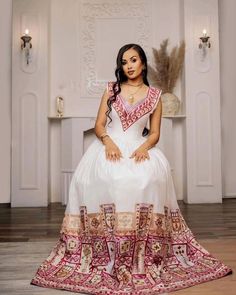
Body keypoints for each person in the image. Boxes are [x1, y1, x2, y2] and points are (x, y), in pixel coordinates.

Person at [31, 44, 232, 294]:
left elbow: (156, 133)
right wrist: (108, 142)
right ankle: (104, 249)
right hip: (109, 145)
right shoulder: (111, 90)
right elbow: (99, 124)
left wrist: (144, 147)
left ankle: (142, 250)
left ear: (143, 63)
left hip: (140, 146)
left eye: (134, 60)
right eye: (124, 61)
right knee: (101, 179)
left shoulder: (155, 95)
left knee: (145, 178)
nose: (129, 65)